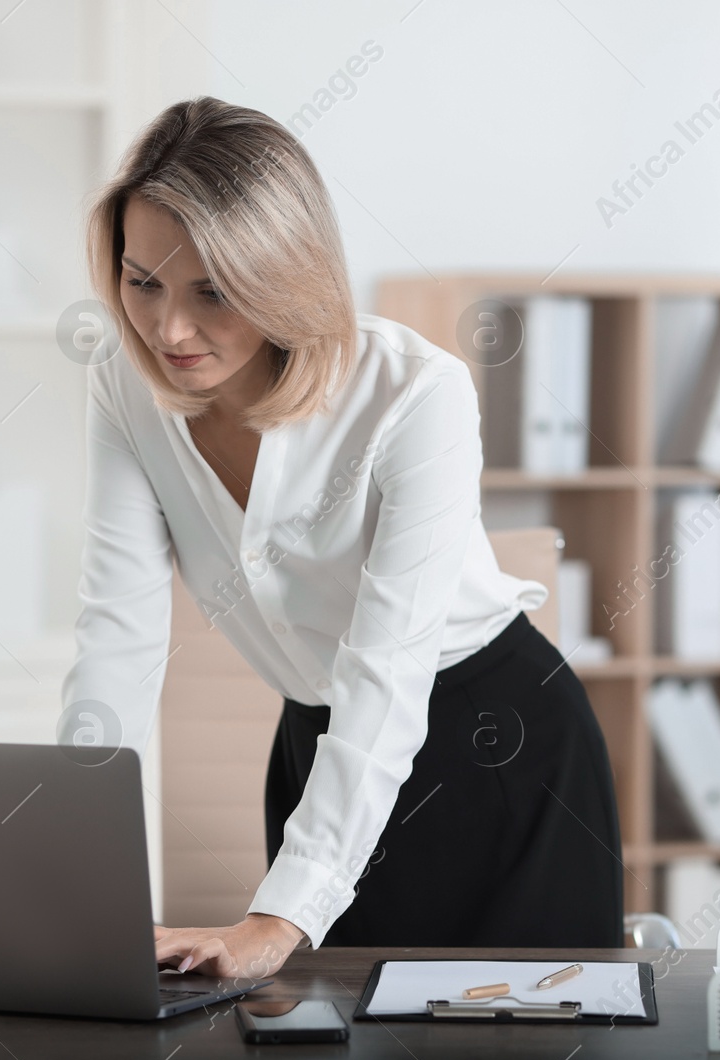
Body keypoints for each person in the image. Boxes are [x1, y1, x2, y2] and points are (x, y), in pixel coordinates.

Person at [61, 96, 622, 979]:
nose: (169, 329)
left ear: (283, 273)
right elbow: (117, 636)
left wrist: (282, 912)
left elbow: (388, 667)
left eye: (212, 289)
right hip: (319, 741)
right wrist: (76, 875)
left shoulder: (416, 394)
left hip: (496, 749)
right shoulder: (123, 388)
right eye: (143, 282)